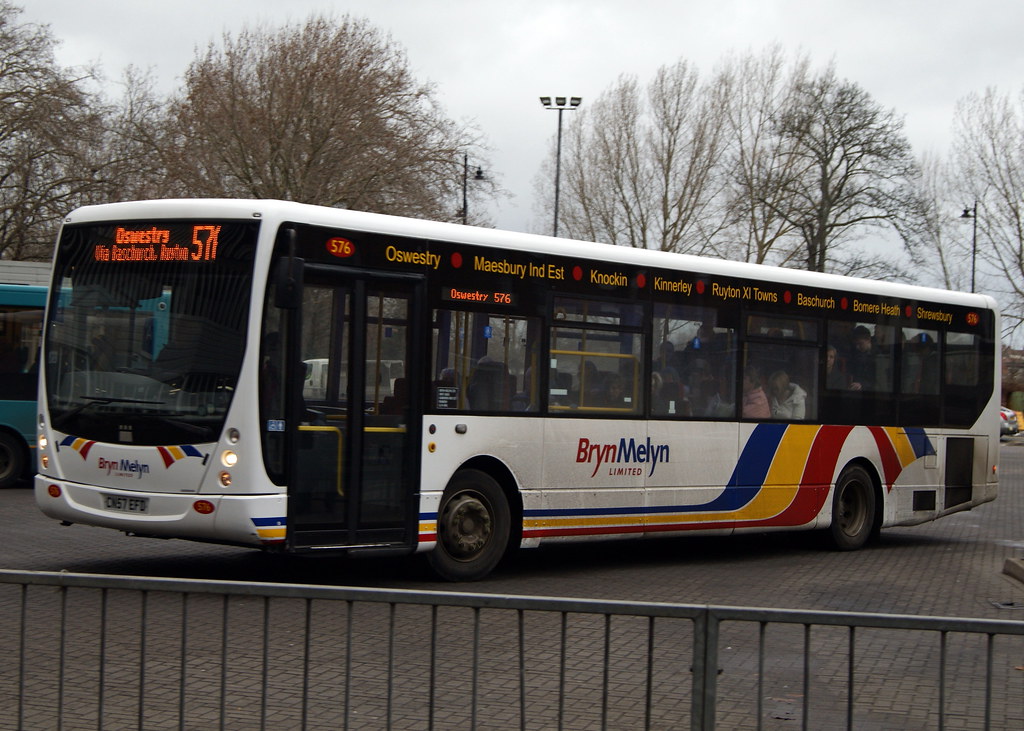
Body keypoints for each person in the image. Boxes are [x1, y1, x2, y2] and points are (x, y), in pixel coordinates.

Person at [846, 325, 875, 391]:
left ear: (868, 340)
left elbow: (878, 380)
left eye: (860, 344)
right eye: (856, 344)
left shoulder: (878, 356)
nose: (857, 347)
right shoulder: (855, 354)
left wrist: (862, 385)